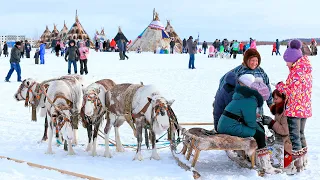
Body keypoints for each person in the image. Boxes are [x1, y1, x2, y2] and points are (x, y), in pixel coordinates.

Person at [218, 77, 282, 174]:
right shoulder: (251, 101)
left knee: (258, 130)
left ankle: (258, 159)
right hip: (230, 126)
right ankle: (267, 166)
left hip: (226, 124)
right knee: (259, 135)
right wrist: (260, 132)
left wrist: (254, 118)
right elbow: (250, 123)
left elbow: (242, 113)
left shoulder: (245, 97)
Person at [276, 39, 312, 172]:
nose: (286, 64)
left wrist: (280, 86)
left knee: (294, 137)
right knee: (301, 134)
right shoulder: (305, 69)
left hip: (295, 109)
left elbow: (290, 92)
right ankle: (303, 161)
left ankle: (296, 165)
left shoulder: (296, 73)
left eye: (287, 61)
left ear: (293, 59)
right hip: (304, 108)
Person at [217, 49, 273, 115]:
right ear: (246, 60)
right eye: (252, 60)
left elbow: (267, 88)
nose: (254, 63)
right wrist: (220, 101)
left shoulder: (261, 72)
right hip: (241, 109)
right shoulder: (238, 71)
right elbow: (224, 83)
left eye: (256, 61)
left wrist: (270, 104)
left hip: (258, 110)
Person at [262, 89, 296, 174]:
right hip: (280, 140)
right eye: (273, 98)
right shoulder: (279, 109)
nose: (274, 101)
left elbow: (285, 131)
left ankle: (287, 166)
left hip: (286, 144)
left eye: (276, 98)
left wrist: (271, 123)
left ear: (283, 98)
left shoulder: (286, 112)